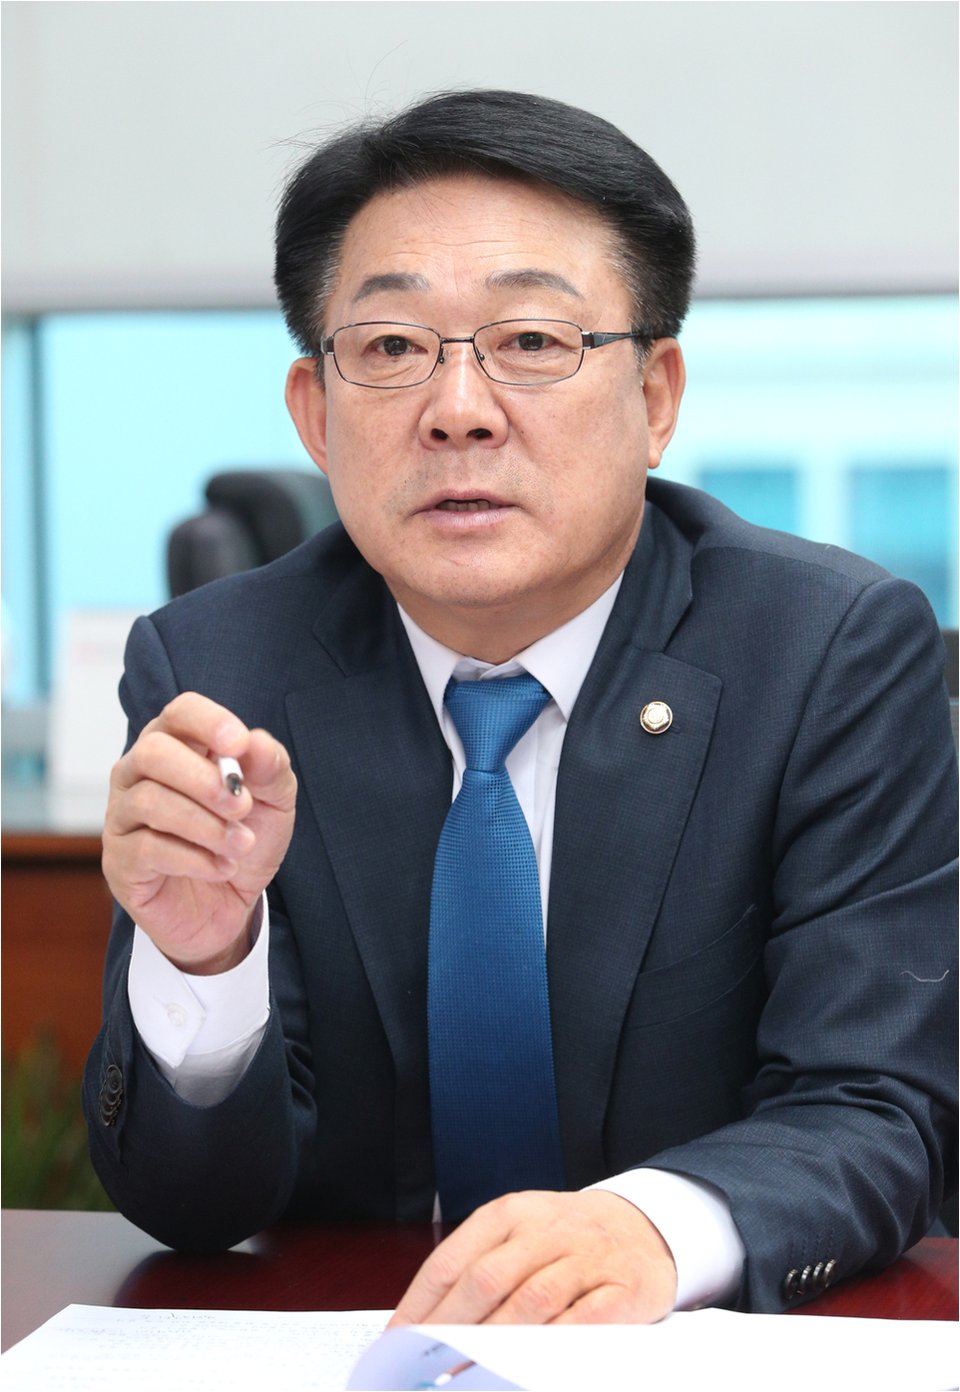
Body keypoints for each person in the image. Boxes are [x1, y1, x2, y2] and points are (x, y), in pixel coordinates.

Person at [83, 89, 957, 1324]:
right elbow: (190, 1206)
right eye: (392, 348)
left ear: (657, 396)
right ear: (315, 413)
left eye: (534, 341)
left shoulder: (824, 652)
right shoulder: (219, 667)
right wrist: (204, 960)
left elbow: (878, 1107)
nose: (458, 409)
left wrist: (652, 1228)